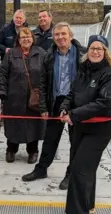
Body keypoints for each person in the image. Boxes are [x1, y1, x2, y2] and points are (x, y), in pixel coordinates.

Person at [60, 35, 111, 214]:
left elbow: (104, 103)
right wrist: (65, 107)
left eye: (99, 49)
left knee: (80, 169)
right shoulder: (83, 70)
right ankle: (88, 206)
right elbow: (72, 93)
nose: (95, 51)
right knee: (85, 169)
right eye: (92, 48)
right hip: (79, 127)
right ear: (87, 51)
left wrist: (74, 114)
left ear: (105, 52)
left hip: (98, 130)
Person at [21, 22, 86, 190]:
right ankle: (41, 169)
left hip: (76, 103)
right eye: (57, 35)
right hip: (56, 100)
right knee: (50, 138)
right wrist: (43, 107)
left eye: (64, 34)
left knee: (75, 140)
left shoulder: (82, 54)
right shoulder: (49, 55)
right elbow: (43, 83)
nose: (60, 37)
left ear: (70, 35)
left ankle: (71, 173)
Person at [0, 27, 46, 164]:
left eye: (28, 36)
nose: (26, 39)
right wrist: (1, 90)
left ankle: (33, 151)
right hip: (13, 97)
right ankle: (11, 150)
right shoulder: (11, 53)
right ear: (18, 39)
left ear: (32, 38)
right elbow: (2, 74)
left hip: (34, 98)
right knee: (13, 124)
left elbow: (47, 74)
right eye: (22, 37)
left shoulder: (41, 53)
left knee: (33, 126)